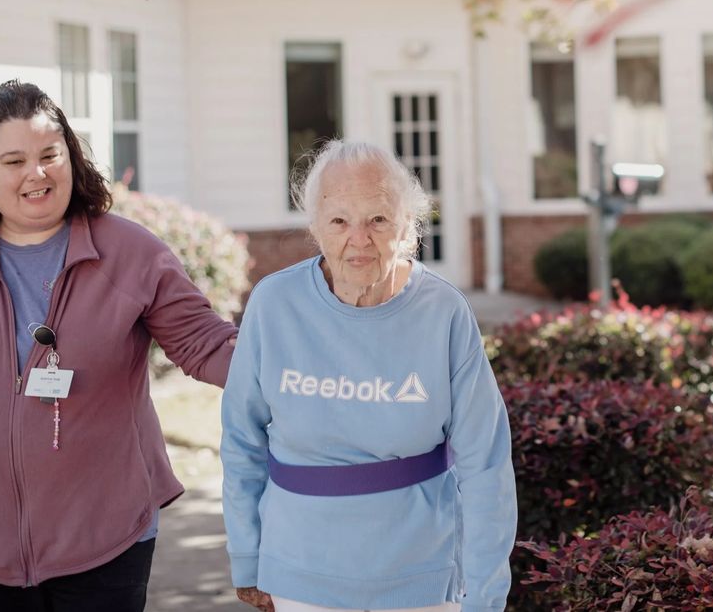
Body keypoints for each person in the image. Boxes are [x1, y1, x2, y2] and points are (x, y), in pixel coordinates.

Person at [0, 80, 238, 611]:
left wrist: (294, 373)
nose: (37, 173)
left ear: (71, 159)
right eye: (13, 160)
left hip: (106, 537)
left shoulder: (129, 252)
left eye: (50, 155)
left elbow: (205, 343)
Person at [221, 139, 517, 612]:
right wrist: (247, 555)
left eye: (377, 219)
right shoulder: (274, 304)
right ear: (316, 227)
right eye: (340, 220)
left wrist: (484, 596)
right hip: (298, 575)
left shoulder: (443, 312)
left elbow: (486, 467)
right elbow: (241, 440)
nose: (359, 239)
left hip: (421, 577)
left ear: (407, 225)